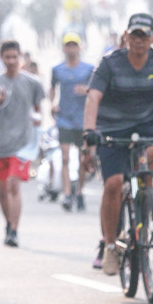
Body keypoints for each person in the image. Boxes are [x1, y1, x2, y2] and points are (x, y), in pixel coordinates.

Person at [81, 13, 153, 274]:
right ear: (126, 36)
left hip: (145, 124)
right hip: (112, 127)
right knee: (113, 184)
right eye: (134, 35)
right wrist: (89, 132)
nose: (138, 41)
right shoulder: (110, 63)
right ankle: (110, 246)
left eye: (144, 36)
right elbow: (93, 98)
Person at [0, 40, 46, 247]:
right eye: (7, 57)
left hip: (23, 144)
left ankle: (14, 231)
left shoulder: (32, 83)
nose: (11, 61)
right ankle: (8, 223)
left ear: (20, 57)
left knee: (13, 184)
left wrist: (37, 121)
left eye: (14, 57)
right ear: (1, 58)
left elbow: (38, 111)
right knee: (2, 190)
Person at [49, 32, 93, 212]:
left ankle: (79, 191)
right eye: (68, 45)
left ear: (79, 47)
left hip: (83, 119)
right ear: (63, 48)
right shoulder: (57, 70)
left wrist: (87, 90)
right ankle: (67, 194)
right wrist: (52, 103)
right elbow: (52, 89)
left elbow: (97, 90)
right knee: (65, 157)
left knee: (84, 159)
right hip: (65, 119)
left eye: (74, 45)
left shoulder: (89, 69)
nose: (71, 49)